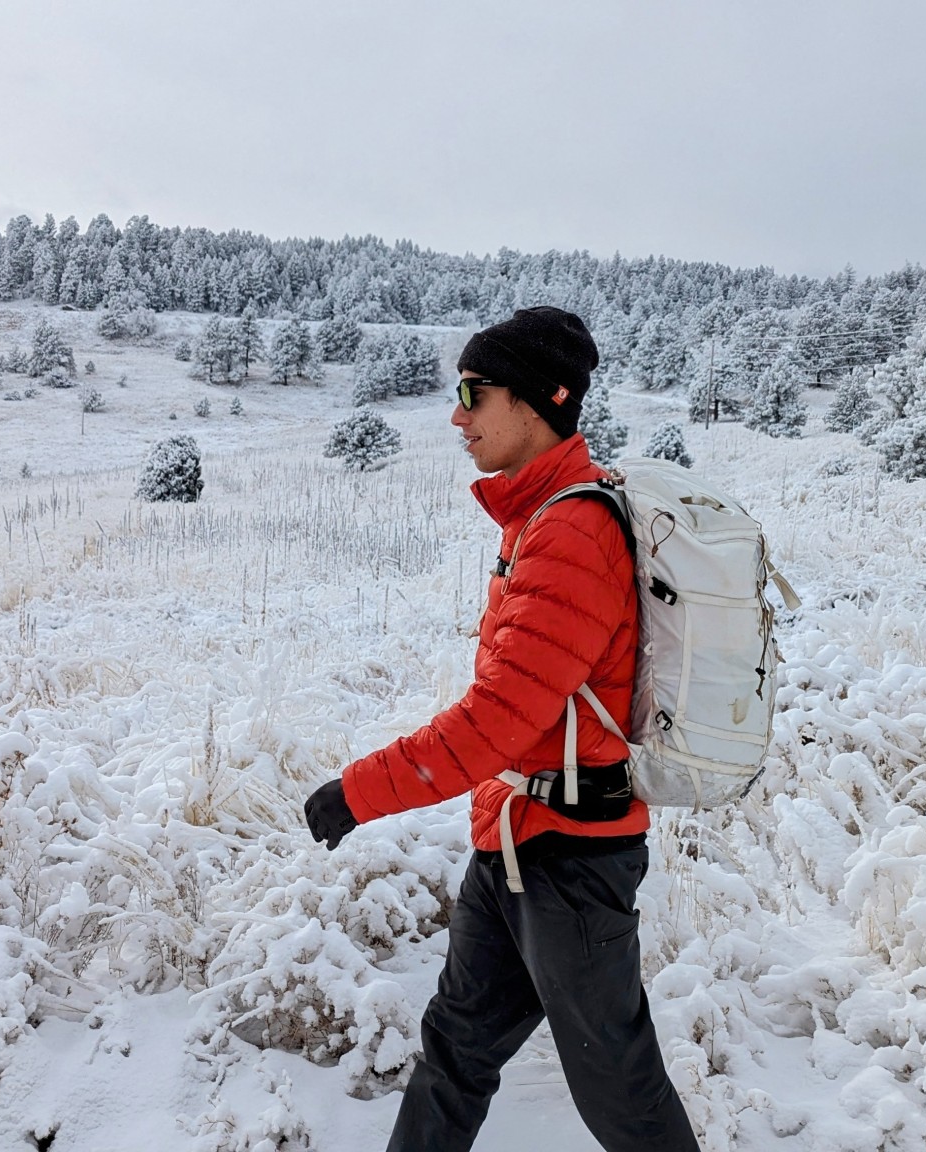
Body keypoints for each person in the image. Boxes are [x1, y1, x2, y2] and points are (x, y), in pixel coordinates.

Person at [305, 307, 699, 1151]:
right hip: (517, 844)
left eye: (472, 393)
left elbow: (497, 721)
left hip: (570, 863)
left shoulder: (571, 531)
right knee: (455, 1051)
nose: (458, 417)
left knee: (620, 1091)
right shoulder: (539, 519)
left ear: (533, 400)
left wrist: (358, 792)